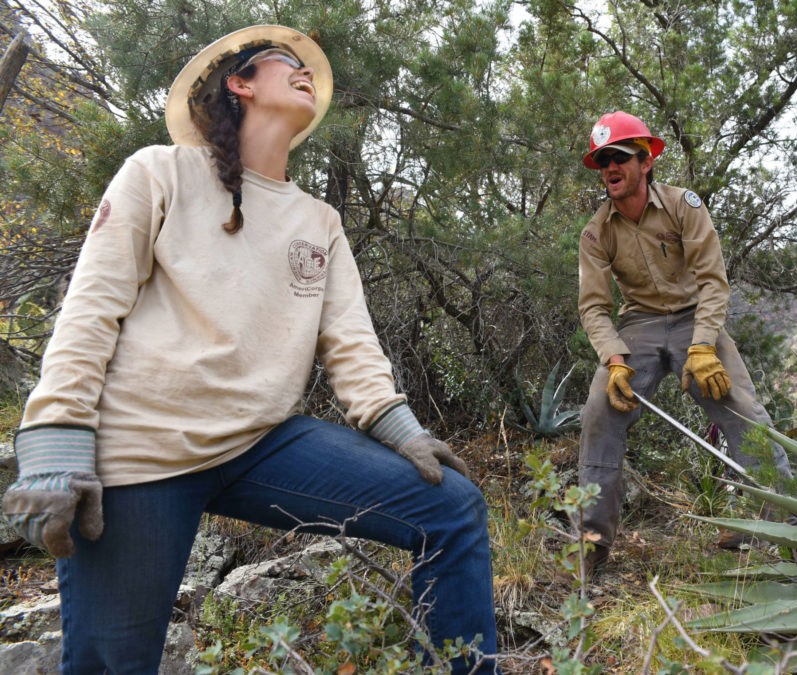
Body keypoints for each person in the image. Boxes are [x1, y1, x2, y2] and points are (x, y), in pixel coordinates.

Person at [2, 25, 498, 673]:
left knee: (452, 506)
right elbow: (91, 308)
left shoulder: (319, 220)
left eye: (309, 69)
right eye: (287, 62)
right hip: (142, 450)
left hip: (262, 442)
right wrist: (54, 441)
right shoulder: (160, 172)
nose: (306, 73)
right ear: (240, 83)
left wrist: (400, 428)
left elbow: (352, 345)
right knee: (112, 662)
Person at [574, 111, 793, 575]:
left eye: (618, 157)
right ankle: (590, 551)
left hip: (697, 317)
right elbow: (594, 308)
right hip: (639, 326)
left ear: (645, 160)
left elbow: (713, 283)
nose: (610, 168)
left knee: (743, 409)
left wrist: (703, 346)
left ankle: (791, 531)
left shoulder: (683, 206)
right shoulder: (596, 233)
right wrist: (614, 360)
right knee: (600, 413)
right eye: (602, 160)